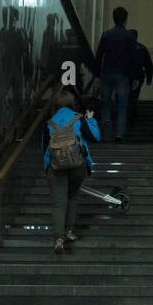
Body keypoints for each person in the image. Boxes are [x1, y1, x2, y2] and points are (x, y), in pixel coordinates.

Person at [42, 89, 99, 255]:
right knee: (72, 196)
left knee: (59, 202)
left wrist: (47, 168)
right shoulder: (78, 118)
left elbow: (44, 149)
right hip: (77, 164)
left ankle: (58, 238)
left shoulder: (48, 123)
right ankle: (69, 231)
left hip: (55, 166)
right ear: (71, 103)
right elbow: (95, 137)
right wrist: (91, 120)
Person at [90, 6, 138, 142]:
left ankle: (107, 122)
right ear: (125, 19)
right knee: (122, 105)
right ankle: (119, 134)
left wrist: (97, 75)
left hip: (107, 72)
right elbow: (133, 58)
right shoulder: (129, 36)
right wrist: (135, 77)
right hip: (123, 74)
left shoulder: (106, 35)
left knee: (105, 102)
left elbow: (99, 56)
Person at [0, 6, 34, 140]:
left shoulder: (16, 33)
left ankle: (15, 129)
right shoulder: (3, 33)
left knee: (15, 100)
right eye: (6, 17)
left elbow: (25, 52)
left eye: (10, 17)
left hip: (14, 71)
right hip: (7, 71)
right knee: (3, 100)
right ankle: (2, 129)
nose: (8, 20)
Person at [129, 39, 153, 122]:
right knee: (135, 94)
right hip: (138, 75)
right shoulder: (142, 48)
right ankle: (133, 112)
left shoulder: (124, 47)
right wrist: (149, 78)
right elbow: (148, 64)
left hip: (126, 75)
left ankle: (128, 113)